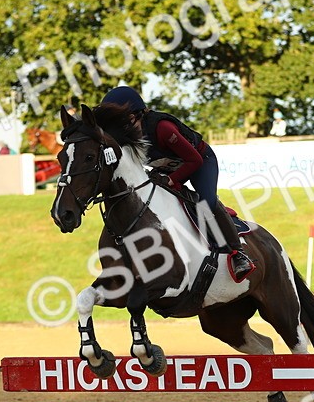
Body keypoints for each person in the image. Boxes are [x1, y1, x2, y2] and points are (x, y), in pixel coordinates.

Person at [100, 85, 255, 281]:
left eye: (120, 122)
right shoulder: (125, 136)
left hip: (199, 161)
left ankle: (237, 253)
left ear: (137, 115)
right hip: (167, 168)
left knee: (206, 203)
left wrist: (171, 180)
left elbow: (194, 161)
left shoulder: (162, 128)